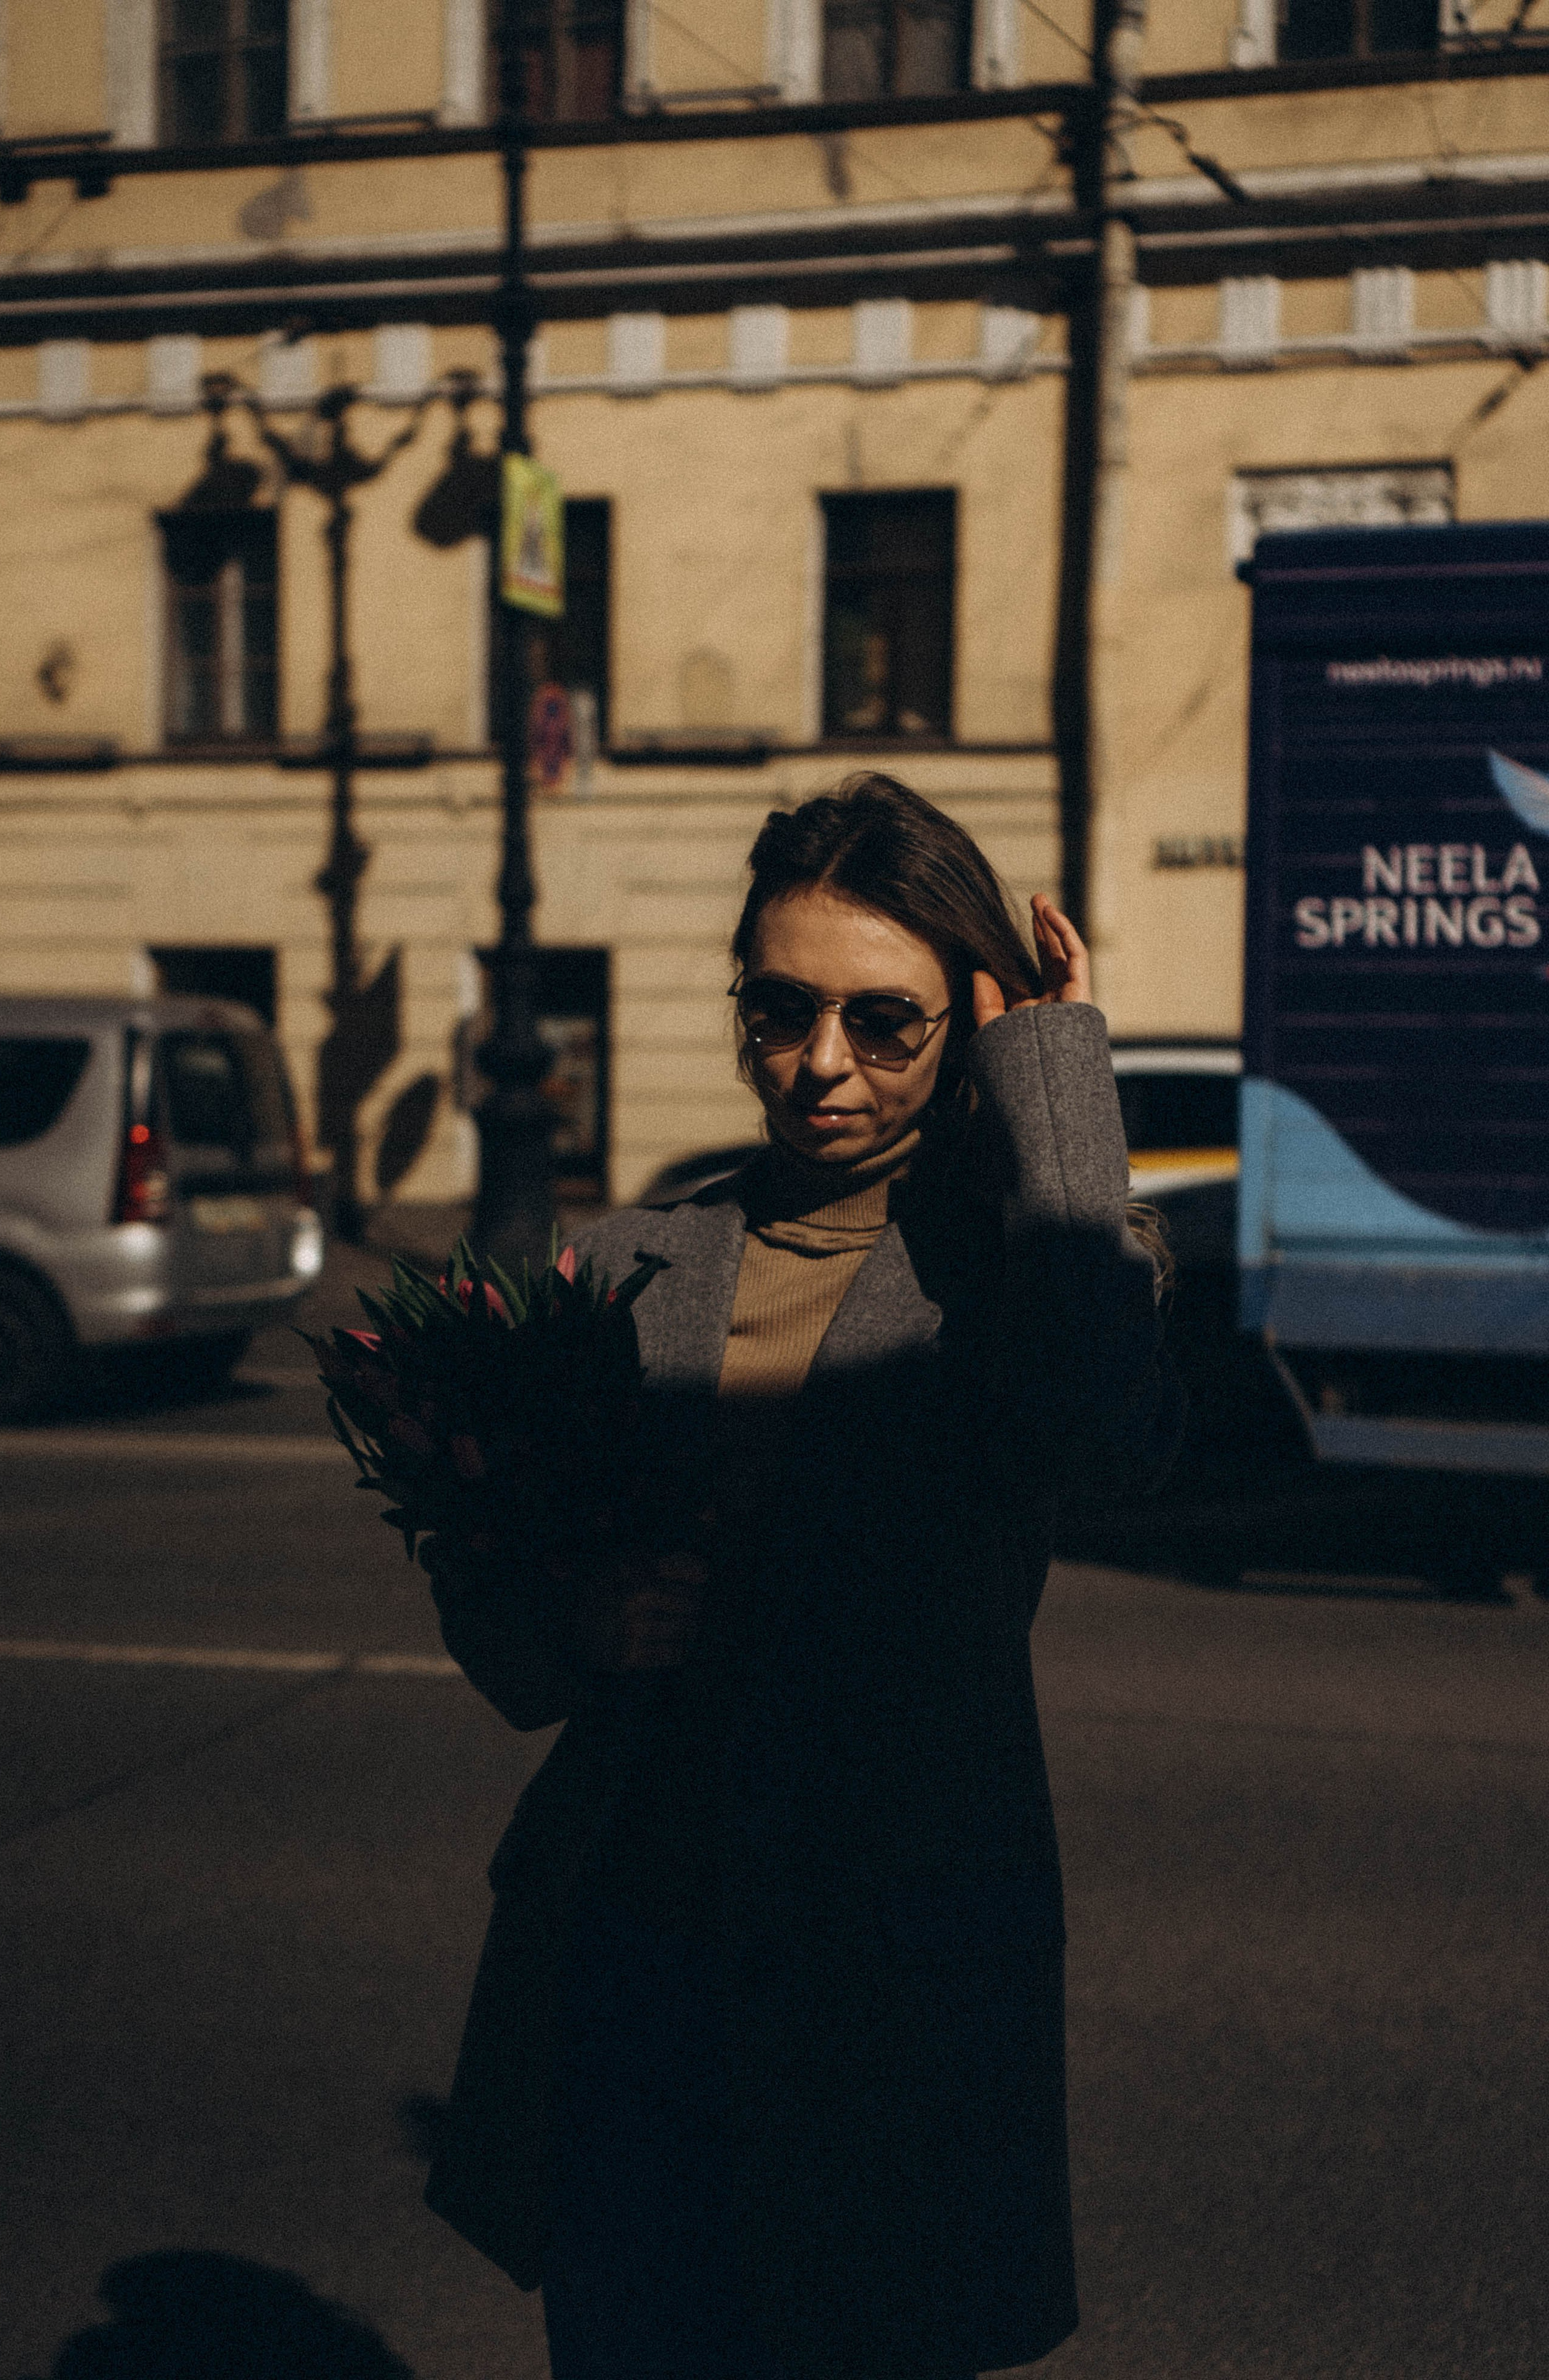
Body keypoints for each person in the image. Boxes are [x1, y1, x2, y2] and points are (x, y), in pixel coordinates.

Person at [424, 774, 1183, 2380]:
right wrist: (577, 1621)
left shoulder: (1010, 1262)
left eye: (885, 1021)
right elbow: (494, 1597)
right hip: (633, 1965)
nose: (820, 1063)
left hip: (886, 1997)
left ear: (967, 1022)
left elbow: (1111, 1437)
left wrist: (1054, 1074)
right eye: (779, 1009)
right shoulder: (646, 1252)